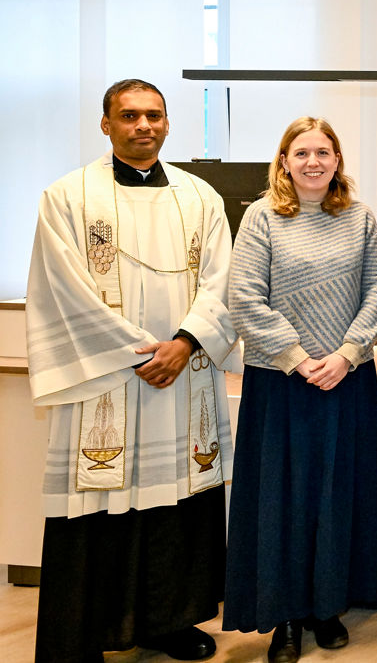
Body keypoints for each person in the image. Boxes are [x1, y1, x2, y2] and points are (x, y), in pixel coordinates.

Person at [25, 78, 239, 663]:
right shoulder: (68, 197)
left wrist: (186, 343)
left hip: (182, 375)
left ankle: (169, 622)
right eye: (129, 116)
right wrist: (138, 351)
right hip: (106, 380)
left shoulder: (200, 198)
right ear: (106, 124)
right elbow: (61, 289)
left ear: (167, 123)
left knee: (176, 505)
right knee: (100, 506)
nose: (144, 125)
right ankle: (85, 634)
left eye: (154, 115)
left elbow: (223, 279)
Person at [224, 117, 377, 663]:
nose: (313, 162)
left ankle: (327, 605)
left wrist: (346, 355)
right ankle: (287, 616)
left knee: (337, 495)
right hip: (281, 385)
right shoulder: (261, 217)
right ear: (284, 161)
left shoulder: (361, 219)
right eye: (301, 153)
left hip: (346, 380)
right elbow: (245, 298)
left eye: (323, 152)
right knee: (283, 501)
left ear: (337, 160)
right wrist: (298, 359)